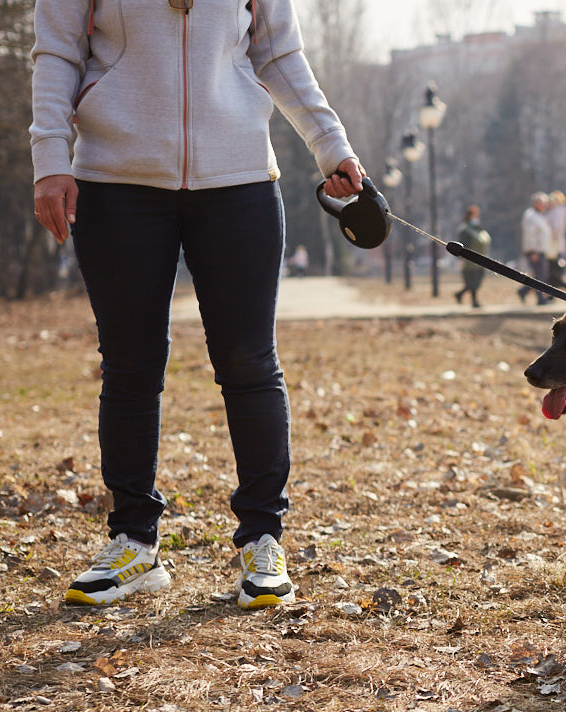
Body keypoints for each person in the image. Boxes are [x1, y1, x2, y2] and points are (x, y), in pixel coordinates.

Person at [30, 0, 366, 609]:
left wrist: (330, 143)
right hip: (115, 180)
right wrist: (50, 158)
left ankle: (262, 538)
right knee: (130, 365)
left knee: (248, 363)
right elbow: (57, 51)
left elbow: (277, 51)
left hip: (238, 181)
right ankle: (133, 541)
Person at [518, 192, 553, 304]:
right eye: (543, 203)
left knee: (540, 275)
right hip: (534, 251)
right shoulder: (531, 216)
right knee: (540, 275)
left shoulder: (539, 216)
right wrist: (532, 251)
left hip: (540, 250)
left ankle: (523, 291)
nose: (545, 206)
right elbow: (530, 235)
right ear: (536, 203)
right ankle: (540, 298)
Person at [453, 205, 491, 308]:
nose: (476, 217)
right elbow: (463, 244)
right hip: (469, 260)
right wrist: (461, 259)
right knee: (472, 282)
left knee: (476, 282)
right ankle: (474, 301)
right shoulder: (465, 230)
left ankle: (459, 294)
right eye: (474, 215)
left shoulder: (478, 228)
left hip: (481, 259)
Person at [545, 190, 566, 292]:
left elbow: (557, 229)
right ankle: (559, 289)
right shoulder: (557, 211)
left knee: (554, 270)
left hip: (554, 245)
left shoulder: (558, 212)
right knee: (552, 270)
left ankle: (558, 289)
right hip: (554, 245)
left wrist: (552, 240)